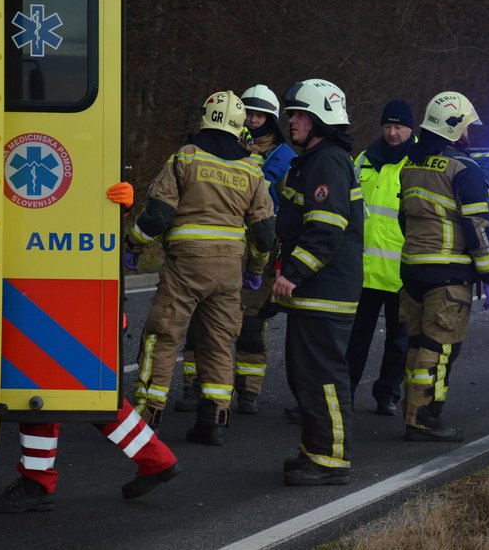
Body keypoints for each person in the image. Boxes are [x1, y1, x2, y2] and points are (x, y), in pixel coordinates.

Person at [0, 184, 180, 514]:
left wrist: (118, 208)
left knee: (42, 387)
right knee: (86, 391)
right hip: (77, 297)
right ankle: (156, 458)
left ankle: (37, 481)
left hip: (59, 296)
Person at [129, 90, 275, 445]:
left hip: (185, 266)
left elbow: (159, 214)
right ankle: (214, 419)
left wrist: (133, 245)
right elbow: (264, 232)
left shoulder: (185, 159)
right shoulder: (251, 170)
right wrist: (255, 269)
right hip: (229, 272)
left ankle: (147, 418)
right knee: (219, 342)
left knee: (163, 337)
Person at [175, 84, 296, 415]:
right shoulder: (222, 145)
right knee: (202, 320)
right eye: (250, 114)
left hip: (261, 250)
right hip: (220, 247)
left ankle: (248, 389)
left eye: (261, 115)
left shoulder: (286, 159)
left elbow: (289, 209)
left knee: (252, 325)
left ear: (271, 120)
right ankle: (192, 386)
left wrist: (279, 253)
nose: (254, 121)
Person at [271, 78, 363, 486]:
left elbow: (326, 229)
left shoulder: (328, 161)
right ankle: (315, 449)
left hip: (325, 291)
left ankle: (331, 460)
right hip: (317, 292)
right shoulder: (312, 160)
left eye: (299, 114)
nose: (291, 120)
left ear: (320, 119)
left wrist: (293, 273)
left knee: (322, 376)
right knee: (305, 376)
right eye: (291, 113)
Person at [397, 91, 489, 442]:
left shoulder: (411, 164)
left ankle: (411, 410)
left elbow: (403, 218)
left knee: (416, 345)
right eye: (468, 125)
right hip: (448, 274)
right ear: (455, 127)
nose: (470, 131)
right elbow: (477, 228)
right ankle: (424, 419)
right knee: (439, 349)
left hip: (412, 270)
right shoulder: (464, 169)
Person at [344, 100, 415, 416]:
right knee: (356, 340)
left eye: (399, 126)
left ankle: (387, 394)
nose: (393, 132)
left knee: (399, 343)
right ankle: (346, 391)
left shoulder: (416, 163)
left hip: (402, 270)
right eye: (388, 125)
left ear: (411, 128)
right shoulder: (363, 160)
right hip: (365, 270)